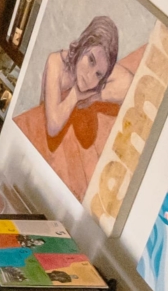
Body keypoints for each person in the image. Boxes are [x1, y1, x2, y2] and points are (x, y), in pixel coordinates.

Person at [23, 15, 133, 196]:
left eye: (98, 74)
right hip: (41, 147)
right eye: (90, 60)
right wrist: (75, 94)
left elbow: (129, 83)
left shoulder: (100, 68)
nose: (89, 76)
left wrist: (95, 96)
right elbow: (53, 126)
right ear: (83, 46)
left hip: (68, 151)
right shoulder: (56, 62)